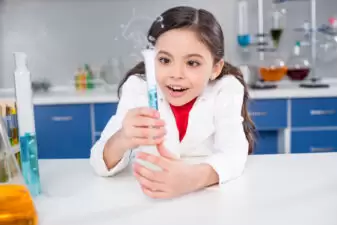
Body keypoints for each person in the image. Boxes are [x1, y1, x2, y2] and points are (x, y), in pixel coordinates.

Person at [90, 6, 255, 199]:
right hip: (145, 199)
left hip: (206, 200)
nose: (176, 74)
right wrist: (123, 138)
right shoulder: (138, 88)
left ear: (215, 68)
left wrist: (191, 179)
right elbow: (99, 163)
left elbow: (234, 153)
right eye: (165, 60)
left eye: (192, 63)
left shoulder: (225, 88)